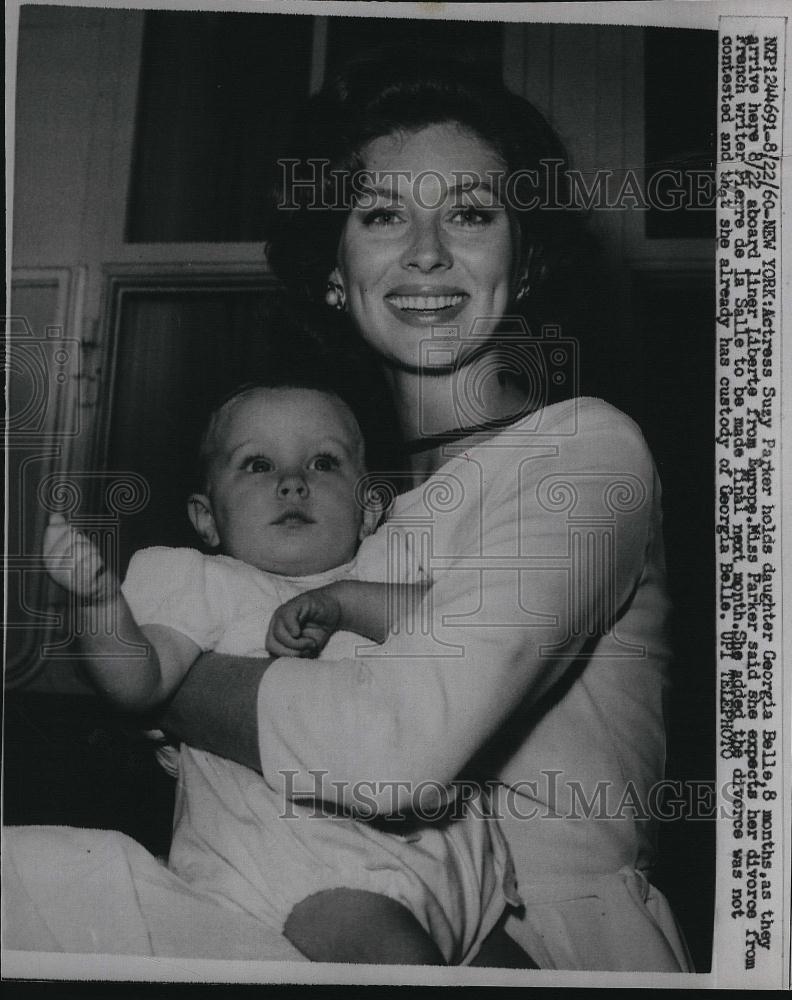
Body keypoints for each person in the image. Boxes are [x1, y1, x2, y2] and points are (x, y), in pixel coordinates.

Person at [4, 54, 692, 973]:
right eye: (380, 216)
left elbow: (396, 748)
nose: (427, 252)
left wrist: (179, 680)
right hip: (296, 907)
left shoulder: (582, 452)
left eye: (473, 215)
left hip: (541, 945)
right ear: (336, 272)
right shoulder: (348, 505)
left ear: (525, 265)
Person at [39, 317, 529, 968]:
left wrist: (346, 602)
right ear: (206, 518)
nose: (293, 481)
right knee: (396, 958)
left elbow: (462, 626)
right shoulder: (207, 583)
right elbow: (139, 682)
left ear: (371, 507)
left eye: (324, 462)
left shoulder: (388, 566)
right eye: (257, 464)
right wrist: (100, 602)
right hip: (303, 861)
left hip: (452, 857)